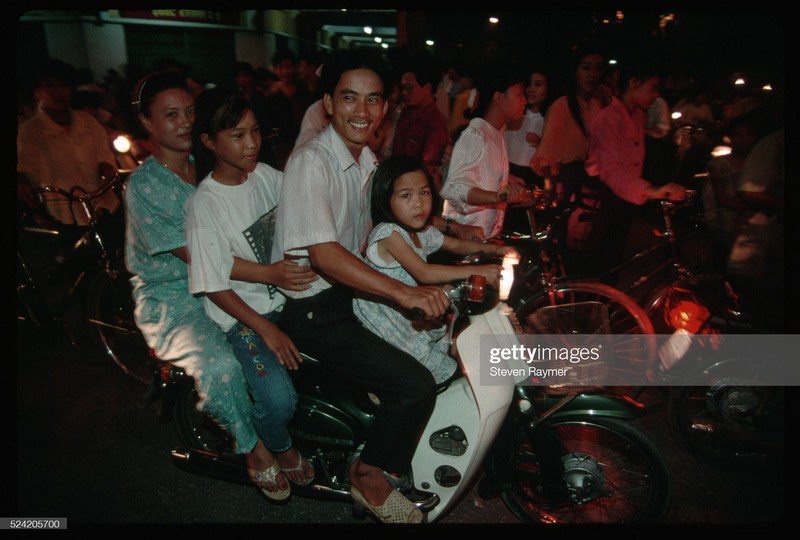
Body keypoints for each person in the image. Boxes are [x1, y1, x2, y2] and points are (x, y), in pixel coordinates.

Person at [272, 48, 450, 523]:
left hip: (348, 289)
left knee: (444, 329)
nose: (362, 111)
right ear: (329, 103)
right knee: (415, 384)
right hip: (315, 306)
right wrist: (402, 292)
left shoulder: (368, 156)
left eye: (373, 100)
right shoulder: (312, 161)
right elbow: (324, 253)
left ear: (385, 107)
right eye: (350, 98)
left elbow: (391, 212)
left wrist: (453, 236)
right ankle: (367, 473)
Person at [123, 70, 299, 502]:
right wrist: (274, 273)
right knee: (221, 368)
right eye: (170, 115)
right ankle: (254, 448)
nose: (184, 122)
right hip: (178, 297)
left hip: (242, 285)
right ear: (146, 123)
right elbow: (203, 263)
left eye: (189, 112)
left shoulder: (211, 162)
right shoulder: (145, 185)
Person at [185, 88, 319, 498]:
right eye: (237, 135)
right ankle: (276, 444)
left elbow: (305, 205)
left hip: (287, 298)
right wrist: (266, 329)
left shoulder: (266, 176)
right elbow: (213, 284)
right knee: (279, 401)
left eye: (255, 131)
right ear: (209, 142)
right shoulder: (204, 204)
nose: (252, 143)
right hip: (243, 317)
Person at [354, 156, 518, 384]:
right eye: (405, 196)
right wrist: (477, 271)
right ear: (385, 200)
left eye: (424, 193)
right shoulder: (389, 233)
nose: (418, 203)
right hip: (386, 316)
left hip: (407, 309)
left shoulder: (421, 230)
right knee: (431, 372)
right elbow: (424, 272)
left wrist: (494, 250)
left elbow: (456, 245)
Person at [577, 54, 687, 275]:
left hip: (623, 197)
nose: (656, 95)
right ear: (634, 83)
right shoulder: (607, 119)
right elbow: (612, 171)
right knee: (597, 264)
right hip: (602, 198)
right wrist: (651, 190)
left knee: (615, 259)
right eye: (653, 87)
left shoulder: (638, 115)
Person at [17, 58, 120, 227]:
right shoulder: (30, 131)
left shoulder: (88, 122)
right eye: (49, 85)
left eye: (63, 85)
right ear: (36, 91)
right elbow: (26, 169)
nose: (58, 92)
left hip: (104, 205)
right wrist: (22, 180)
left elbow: (104, 154)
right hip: (65, 213)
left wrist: (106, 167)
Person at [439, 63, 532, 240]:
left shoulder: (497, 133)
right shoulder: (475, 135)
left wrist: (506, 181)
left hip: (482, 238)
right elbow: (454, 188)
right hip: (463, 240)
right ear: (498, 97)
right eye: (519, 94)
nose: (525, 101)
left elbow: (479, 173)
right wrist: (497, 196)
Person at [531, 42, 610, 204]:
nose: (593, 74)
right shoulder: (562, 105)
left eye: (598, 68)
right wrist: (549, 184)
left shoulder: (601, 105)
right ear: (575, 71)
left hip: (594, 182)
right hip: (567, 183)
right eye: (586, 68)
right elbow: (546, 153)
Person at [391, 53, 450, 193]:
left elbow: (427, 169)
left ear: (428, 88)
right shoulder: (406, 112)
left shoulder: (435, 123)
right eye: (403, 87)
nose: (404, 93)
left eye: (410, 88)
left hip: (412, 189)